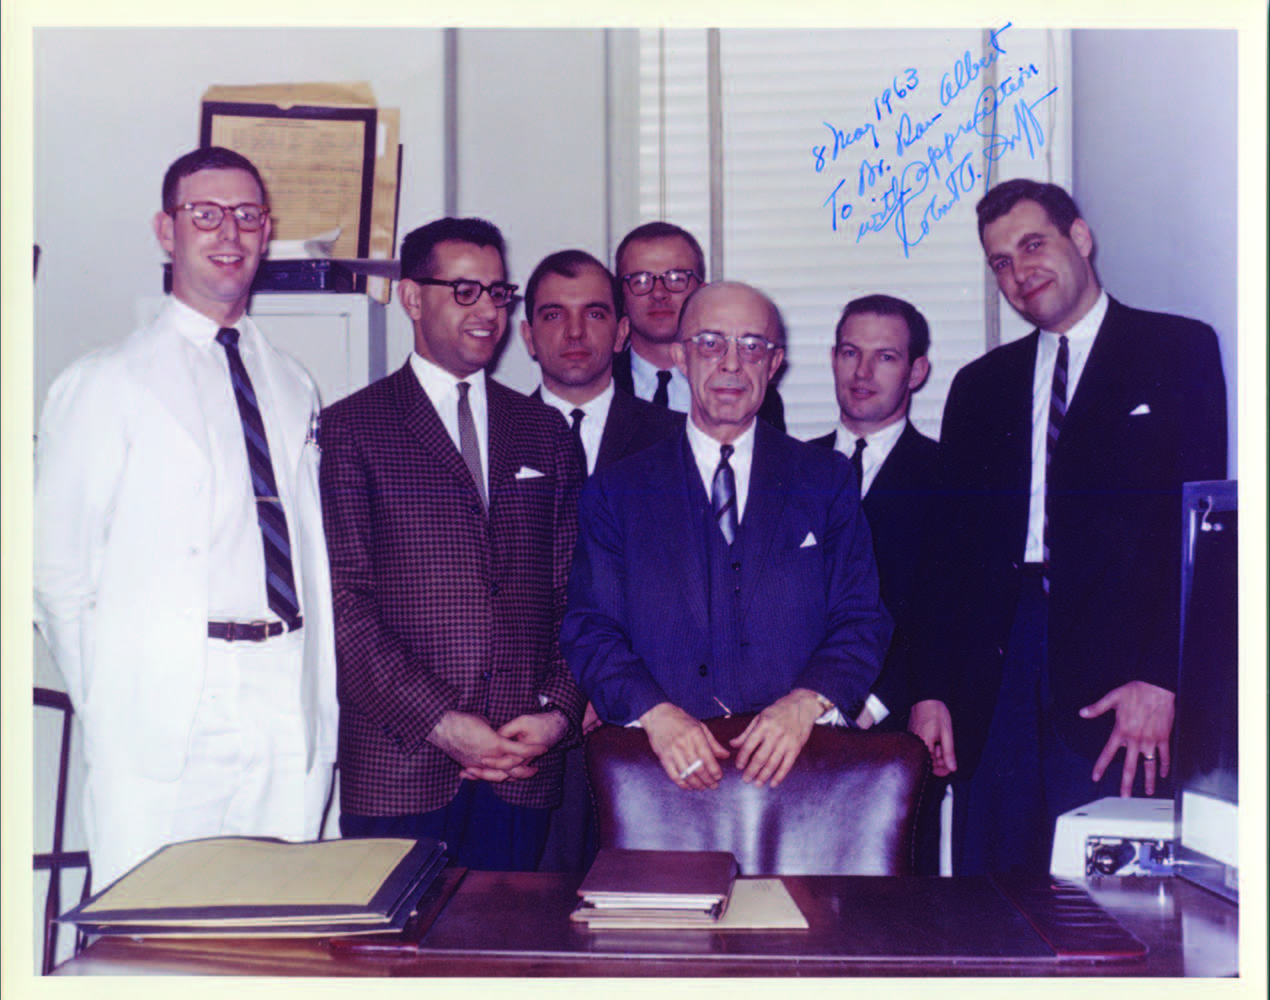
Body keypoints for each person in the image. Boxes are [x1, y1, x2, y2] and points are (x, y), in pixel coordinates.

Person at [34, 146, 337, 887]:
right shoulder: (104, 382)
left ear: (267, 232)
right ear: (166, 232)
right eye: (205, 215)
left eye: (246, 216)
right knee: (152, 930)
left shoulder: (293, 382)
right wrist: (113, 691)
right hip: (170, 697)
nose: (228, 233)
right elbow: (54, 571)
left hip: (284, 684)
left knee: (281, 921)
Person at [907, 179, 1228, 875]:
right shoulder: (979, 385)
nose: (1018, 273)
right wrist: (930, 688)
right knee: (992, 889)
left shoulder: (1177, 351)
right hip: (994, 670)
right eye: (999, 262)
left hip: (1120, 678)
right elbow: (945, 557)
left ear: (1080, 238)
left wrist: (1162, 677)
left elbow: (1199, 534)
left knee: (1109, 898)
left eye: (1032, 245)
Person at [319, 217, 585, 872]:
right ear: (412, 298)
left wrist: (556, 713)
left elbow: (581, 592)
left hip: (520, 768)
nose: (488, 311)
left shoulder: (544, 431)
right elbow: (342, 603)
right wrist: (441, 721)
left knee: (506, 964)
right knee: (394, 971)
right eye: (465, 291)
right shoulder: (351, 428)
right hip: (399, 762)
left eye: (499, 293)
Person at [562, 281, 890, 792]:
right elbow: (591, 628)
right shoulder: (616, 490)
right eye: (711, 343)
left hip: (803, 770)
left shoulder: (825, 480)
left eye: (752, 346)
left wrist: (807, 702)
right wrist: (655, 714)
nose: (732, 364)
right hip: (661, 774)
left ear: (774, 362)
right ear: (680, 357)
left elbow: (862, 620)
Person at [810, 294, 940, 734]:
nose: (862, 373)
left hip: (897, 722)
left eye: (885, 357)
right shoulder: (786, 468)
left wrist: (875, 704)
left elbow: (945, 611)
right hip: (786, 720)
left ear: (916, 371)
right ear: (833, 360)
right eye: (851, 353)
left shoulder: (951, 475)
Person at [521, 248, 684, 476]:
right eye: (554, 315)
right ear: (529, 337)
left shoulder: (675, 436)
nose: (575, 332)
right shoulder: (497, 435)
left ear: (620, 333)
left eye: (594, 314)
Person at [611, 221, 786, 431]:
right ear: (621, 295)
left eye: (676, 278)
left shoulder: (752, 394)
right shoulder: (601, 383)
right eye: (640, 280)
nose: (658, 293)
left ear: (701, 291)